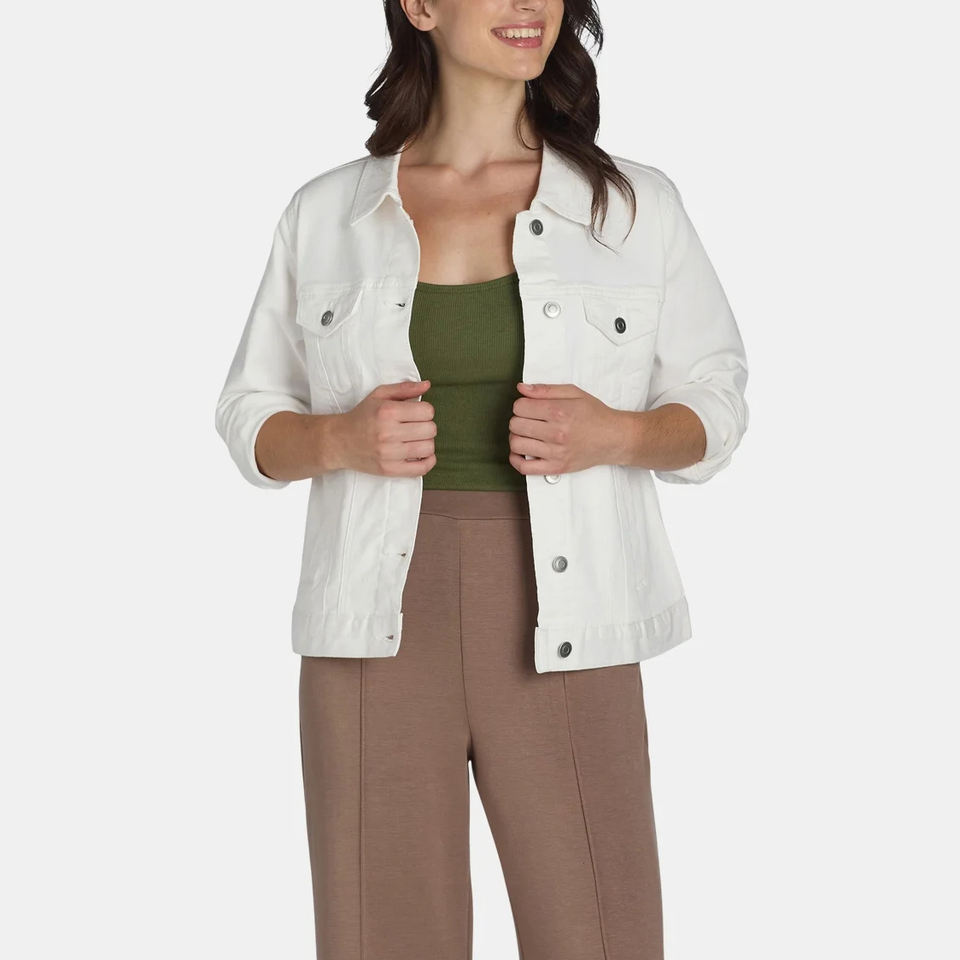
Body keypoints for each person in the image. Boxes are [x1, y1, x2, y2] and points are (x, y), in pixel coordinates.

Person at [214, 1, 749, 958]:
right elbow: (251, 418)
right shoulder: (328, 214)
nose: (528, 3)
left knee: (601, 935)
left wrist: (618, 431)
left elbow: (716, 403)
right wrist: (339, 439)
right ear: (421, 5)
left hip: (569, 613)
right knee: (384, 938)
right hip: (375, 619)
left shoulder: (630, 207)